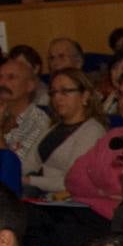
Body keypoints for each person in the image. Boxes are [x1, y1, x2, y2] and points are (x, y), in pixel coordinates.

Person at [23, 68, 107, 197]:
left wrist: (30, 180)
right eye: (54, 92)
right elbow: (30, 162)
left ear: (85, 96)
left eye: (65, 91)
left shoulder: (92, 131)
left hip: (61, 198)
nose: (57, 98)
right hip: (36, 189)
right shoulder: (53, 126)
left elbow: (72, 181)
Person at [0, 58, 52, 169]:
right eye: (0, 77)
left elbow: (10, 169)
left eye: (11, 77)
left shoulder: (39, 122)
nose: (2, 83)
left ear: (29, 86)